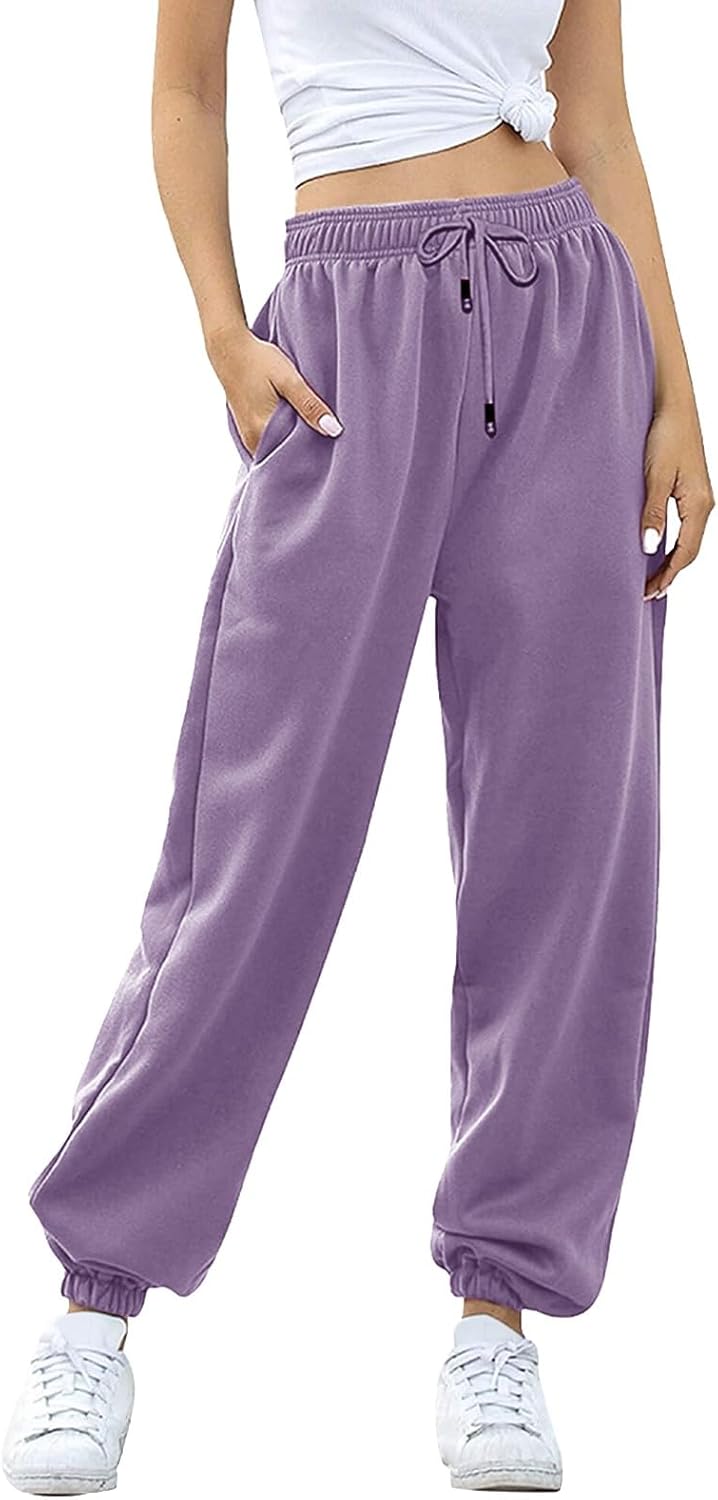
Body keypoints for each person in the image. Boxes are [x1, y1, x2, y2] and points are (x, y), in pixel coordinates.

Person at [3, 0, 713, 1493]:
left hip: (569, 318)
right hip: (344, 340)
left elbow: (593, 116)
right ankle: (93, 1305)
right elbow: (186, 89)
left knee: (564, 839)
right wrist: (223, 333)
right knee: (253, 840)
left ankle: (497, 1318)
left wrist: (674, 392)